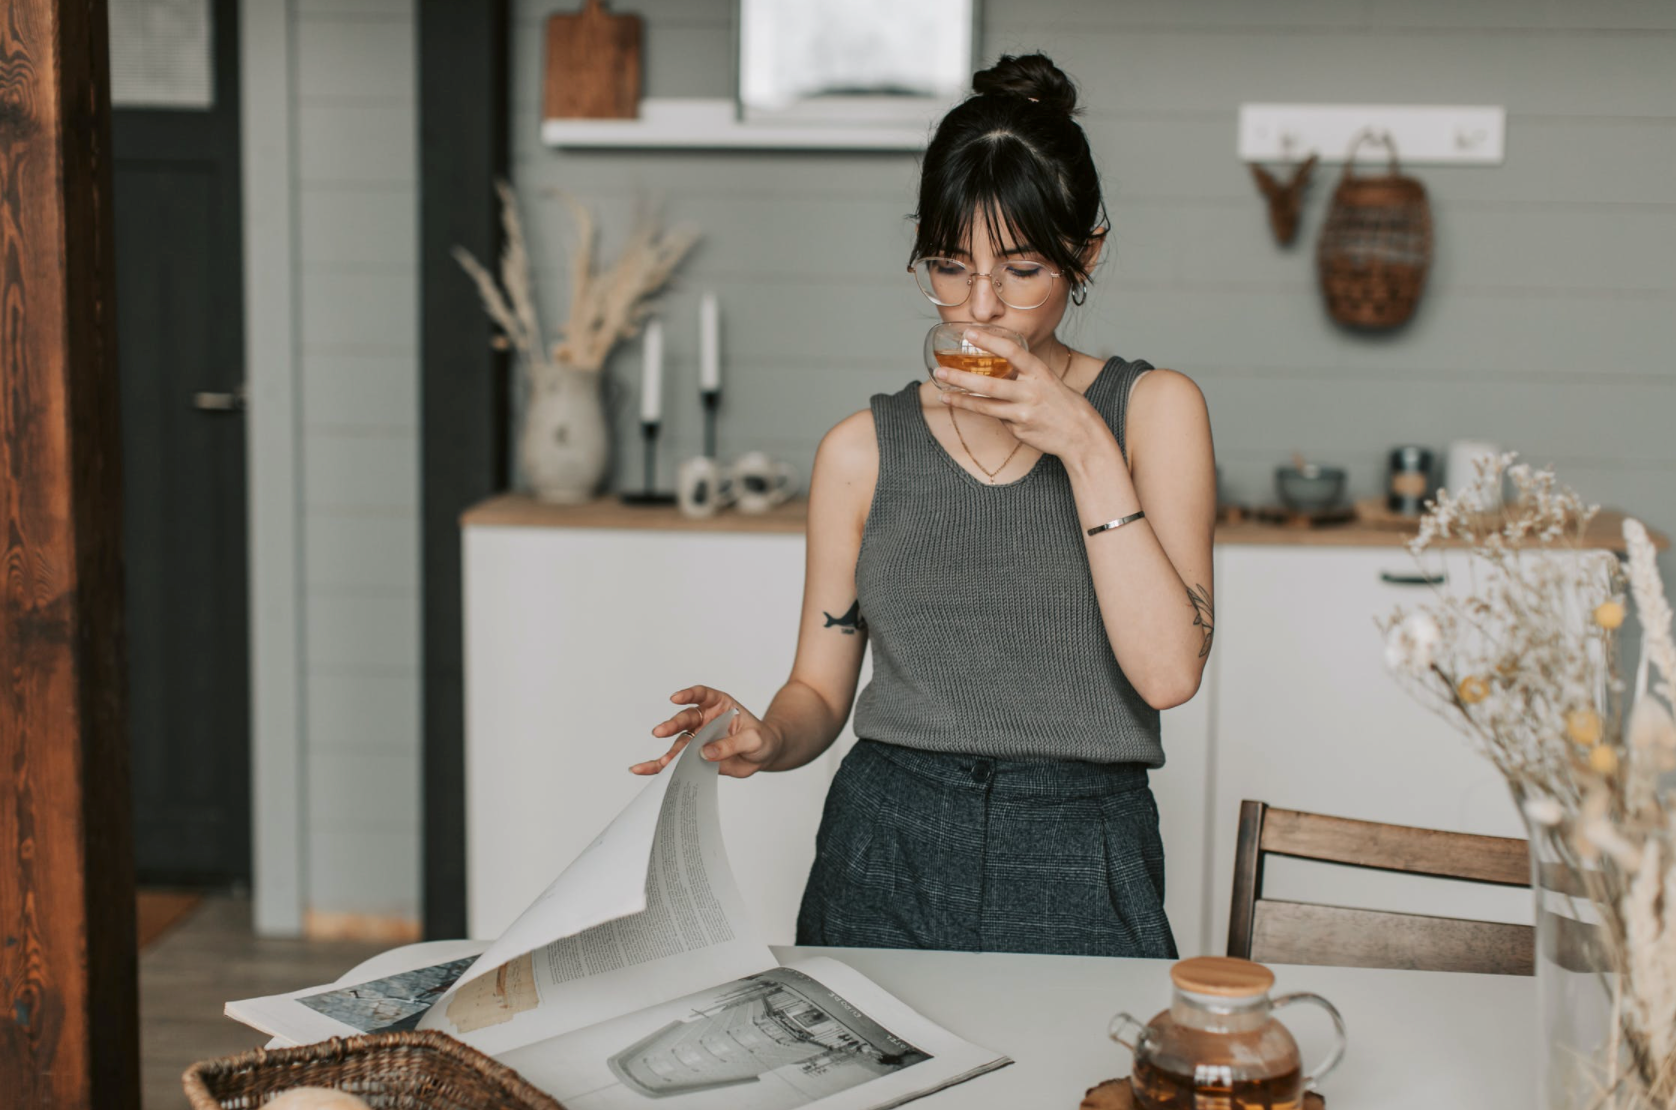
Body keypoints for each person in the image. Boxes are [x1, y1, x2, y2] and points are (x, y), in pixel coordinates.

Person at [632, 53, 1216, 959]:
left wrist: (1082, 441)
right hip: (883, 840)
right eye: (950, 266)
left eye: (1021, 270)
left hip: (1084, 843)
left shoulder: (1154, 414)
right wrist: (765, 736)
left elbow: (1170, 675)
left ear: (1086, 252)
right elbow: (820, 692)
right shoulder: (860, 452)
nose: (980, 307)